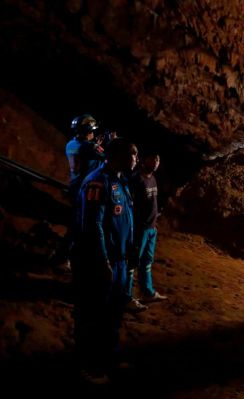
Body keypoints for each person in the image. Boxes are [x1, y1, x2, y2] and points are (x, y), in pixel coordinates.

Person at [72, 138, 137, 384]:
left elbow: (125, 220)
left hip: (118, 260)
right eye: (133, 154)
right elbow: (93, 224)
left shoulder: (121, 181)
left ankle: (109, 356)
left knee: (113, 314)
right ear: (117, 156)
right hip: (98, 261)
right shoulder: (97, 182)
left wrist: (129, 251)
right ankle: (87, 366)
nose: (136, 159)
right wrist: (103, 260)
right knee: (92, 314)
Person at [56, 114, 106, 271]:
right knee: (80, 226)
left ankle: (67, 257)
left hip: (79, 187)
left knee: (79, 225)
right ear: (88, 131)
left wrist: (94, 145)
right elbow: (105, 156)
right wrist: (100, 145)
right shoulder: (86, 146)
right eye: (92, 131)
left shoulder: (72, 144)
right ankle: (63, 258)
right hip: (83, 189)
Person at [125, 152, 167, 312]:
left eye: (158, 159)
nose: (156, 162)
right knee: (132, 263)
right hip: (140, 229)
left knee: (146, 262)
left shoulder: (152, 179)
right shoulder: (136, 180)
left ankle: (147, 292)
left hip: (151, 228)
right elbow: (130, 205)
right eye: (153, 158)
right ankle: (126, 297)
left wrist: (154, 222)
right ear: (144, 160)